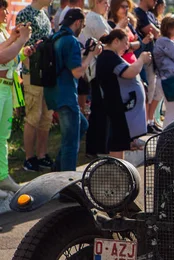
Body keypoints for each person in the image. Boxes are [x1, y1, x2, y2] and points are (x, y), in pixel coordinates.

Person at [44, 8, 102, 171]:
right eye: (82, 26)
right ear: (77, 23)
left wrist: (85, 52)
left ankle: (57, 170)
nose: (81, 29)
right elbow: (77, 72)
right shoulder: (71, 41)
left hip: (53, 93)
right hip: (67, 96)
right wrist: (92, 55)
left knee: (82, 126)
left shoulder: (56, 37)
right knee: (70, 144)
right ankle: (67, 184)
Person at [96, 29, 151, 158]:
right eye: (125, 43)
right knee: (117, 143)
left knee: (120, 142)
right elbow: (130, 72)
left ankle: (120, 171)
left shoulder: (112, 57)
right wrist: (141, 59)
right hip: (117, 107)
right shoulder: (109, 57)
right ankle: (117, 173)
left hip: (119, 107)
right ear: (116, 41)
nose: (127, 47)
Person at [16, 0, 54, 172]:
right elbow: (19, 44)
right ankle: (29, 158)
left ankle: (42, 155)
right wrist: (29, 67)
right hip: (32, 72)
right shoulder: (25, 14)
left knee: (46, 116)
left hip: (46, 71)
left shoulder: (44, 14)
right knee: (33, 115)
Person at [0, 5, 31, 196]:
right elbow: (2, 56)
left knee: (3, 136)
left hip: (6, 86)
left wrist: (14, 39)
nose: (5, 12)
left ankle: (2, 177)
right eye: (1, 8)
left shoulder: (3, 30)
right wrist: (22, 40)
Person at [79, 0, 111, 156]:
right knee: (99, 109)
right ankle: (96, 148)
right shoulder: (94, 17)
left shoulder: (99, 17)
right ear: (96, 2)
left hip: (99, 68)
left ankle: (96, 147)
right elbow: (110, 39)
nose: (107, 5)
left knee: (100, 108)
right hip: (96, 69)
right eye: (104, 2)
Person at [135, 0, 162, 133]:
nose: (156, 2)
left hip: (152, 57)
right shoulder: (138, 13)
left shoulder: (149, 14)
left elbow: (158, 32)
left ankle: (149, 121)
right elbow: (156, 32)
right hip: (144, 57)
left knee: (153, 91)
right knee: (147, 91)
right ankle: (145, 123)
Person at [108, 0, 150, 64]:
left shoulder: (128, 23)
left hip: (134, 62)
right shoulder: (110, 24)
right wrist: (132, 45)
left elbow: (140, 42)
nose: (126, 9)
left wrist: (129, 45)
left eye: (127, 7)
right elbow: (113, 46)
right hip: (120, 64)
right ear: (115, 7)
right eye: (122, 7)